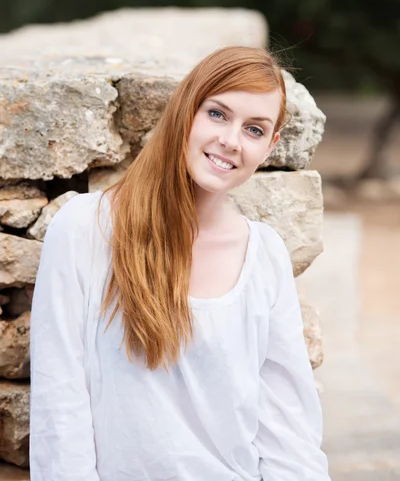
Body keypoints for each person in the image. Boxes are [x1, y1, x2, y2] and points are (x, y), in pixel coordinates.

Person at [30, 46, 331, 480]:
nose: (230, 140)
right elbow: (60, 407)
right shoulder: (87, 228)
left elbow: (288, 430)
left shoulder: (263, 255)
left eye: (254, 129)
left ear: (270, 146)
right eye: (217, 114)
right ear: (186, 110)